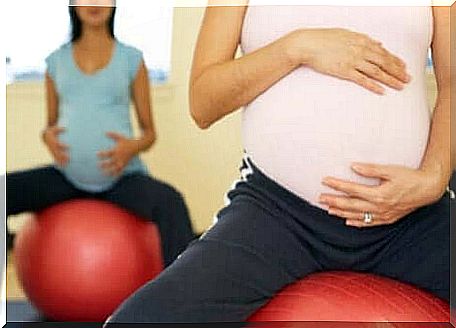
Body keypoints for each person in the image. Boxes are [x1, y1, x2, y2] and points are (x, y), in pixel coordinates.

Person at [106, 1, 452, 323]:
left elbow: (452, 82)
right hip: (278, 215)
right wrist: (297, 47)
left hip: (411, 216)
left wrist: (434, 177)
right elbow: (204, 100)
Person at [6, 0, 195, 267]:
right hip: (67, 177)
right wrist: (47, 137)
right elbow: (50, 127)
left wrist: (131, 147)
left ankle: (184, 300)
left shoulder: (132, 59)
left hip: (122, 178)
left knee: (171, 202)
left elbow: (149, 133)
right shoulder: (56, 61)